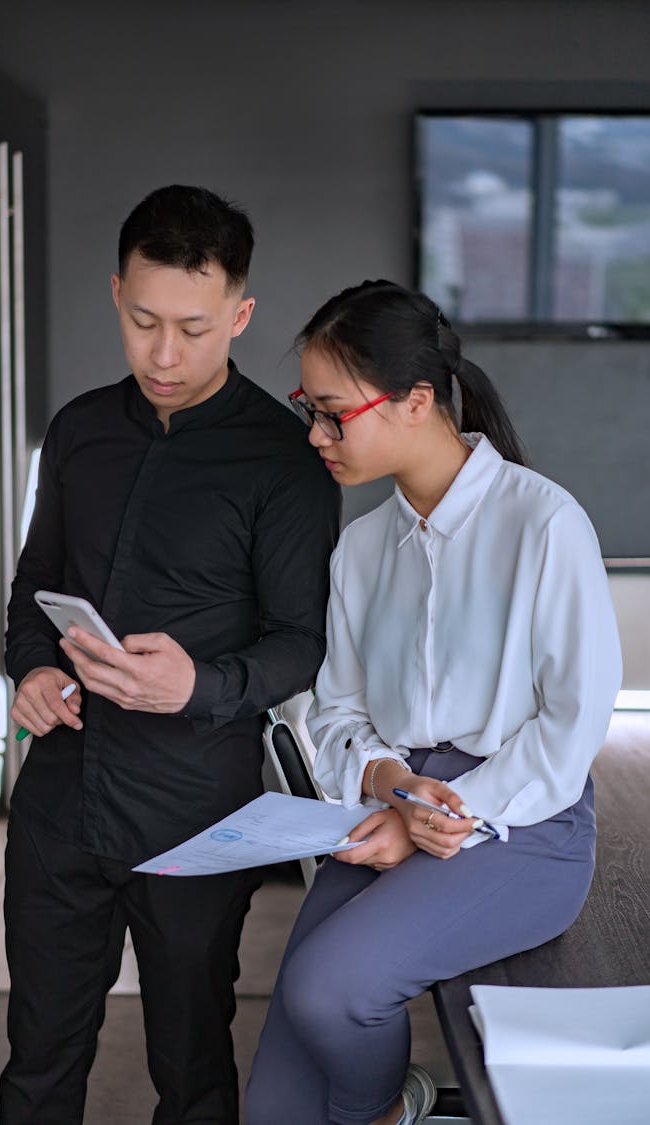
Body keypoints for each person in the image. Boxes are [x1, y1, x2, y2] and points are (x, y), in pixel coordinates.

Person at [2, 184, 340, 1125]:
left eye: (192, 328)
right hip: (61, 797)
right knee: (37, 1056)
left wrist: (199, 682)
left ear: (240, 313)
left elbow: (303, 645)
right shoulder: (77, 430)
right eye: (144, 320)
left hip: (197, 817)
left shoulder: (285, 459)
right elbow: (32, 591)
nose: (163, 353)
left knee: (192, 1065)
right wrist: (30, 668)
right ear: (117, 293)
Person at [245, 280, 622, 1125]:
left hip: (523, 826)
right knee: (275, 1106)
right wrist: (386, 781)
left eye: (334, 411)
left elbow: (569, 725)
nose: (316, 433)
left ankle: (381, 1107)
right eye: (310, 406)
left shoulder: (543, 523)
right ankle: (390, 1100)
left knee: (331, 989)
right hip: (398, 806)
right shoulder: (363, 548)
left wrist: (442, 812)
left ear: (417, 401)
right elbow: (337, 713)